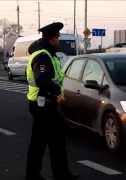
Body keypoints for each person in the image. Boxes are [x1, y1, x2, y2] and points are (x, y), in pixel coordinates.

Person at [25, 22, 81, 180]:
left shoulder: (47, 53)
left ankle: (60, 174)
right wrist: (57, 92)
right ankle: (34, 175)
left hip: (46, 103)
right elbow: (42, 79)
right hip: (42, 104)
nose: (58, 40)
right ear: (53, 38)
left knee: (54, 140)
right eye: (57, 37)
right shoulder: (43, 55)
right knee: (41, 142)